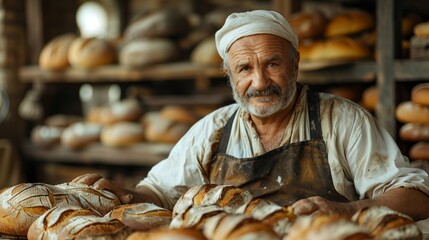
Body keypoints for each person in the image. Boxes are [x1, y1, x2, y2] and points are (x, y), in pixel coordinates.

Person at [73, 10, 429, 220]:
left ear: (295, 64)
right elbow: (161, 194)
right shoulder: (213, 130)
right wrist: (125, 195)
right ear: (228, 74)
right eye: (244, 68)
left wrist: (348, 211)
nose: (259, 82)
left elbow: (415, 197)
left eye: (272, 64)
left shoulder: (343, 120)